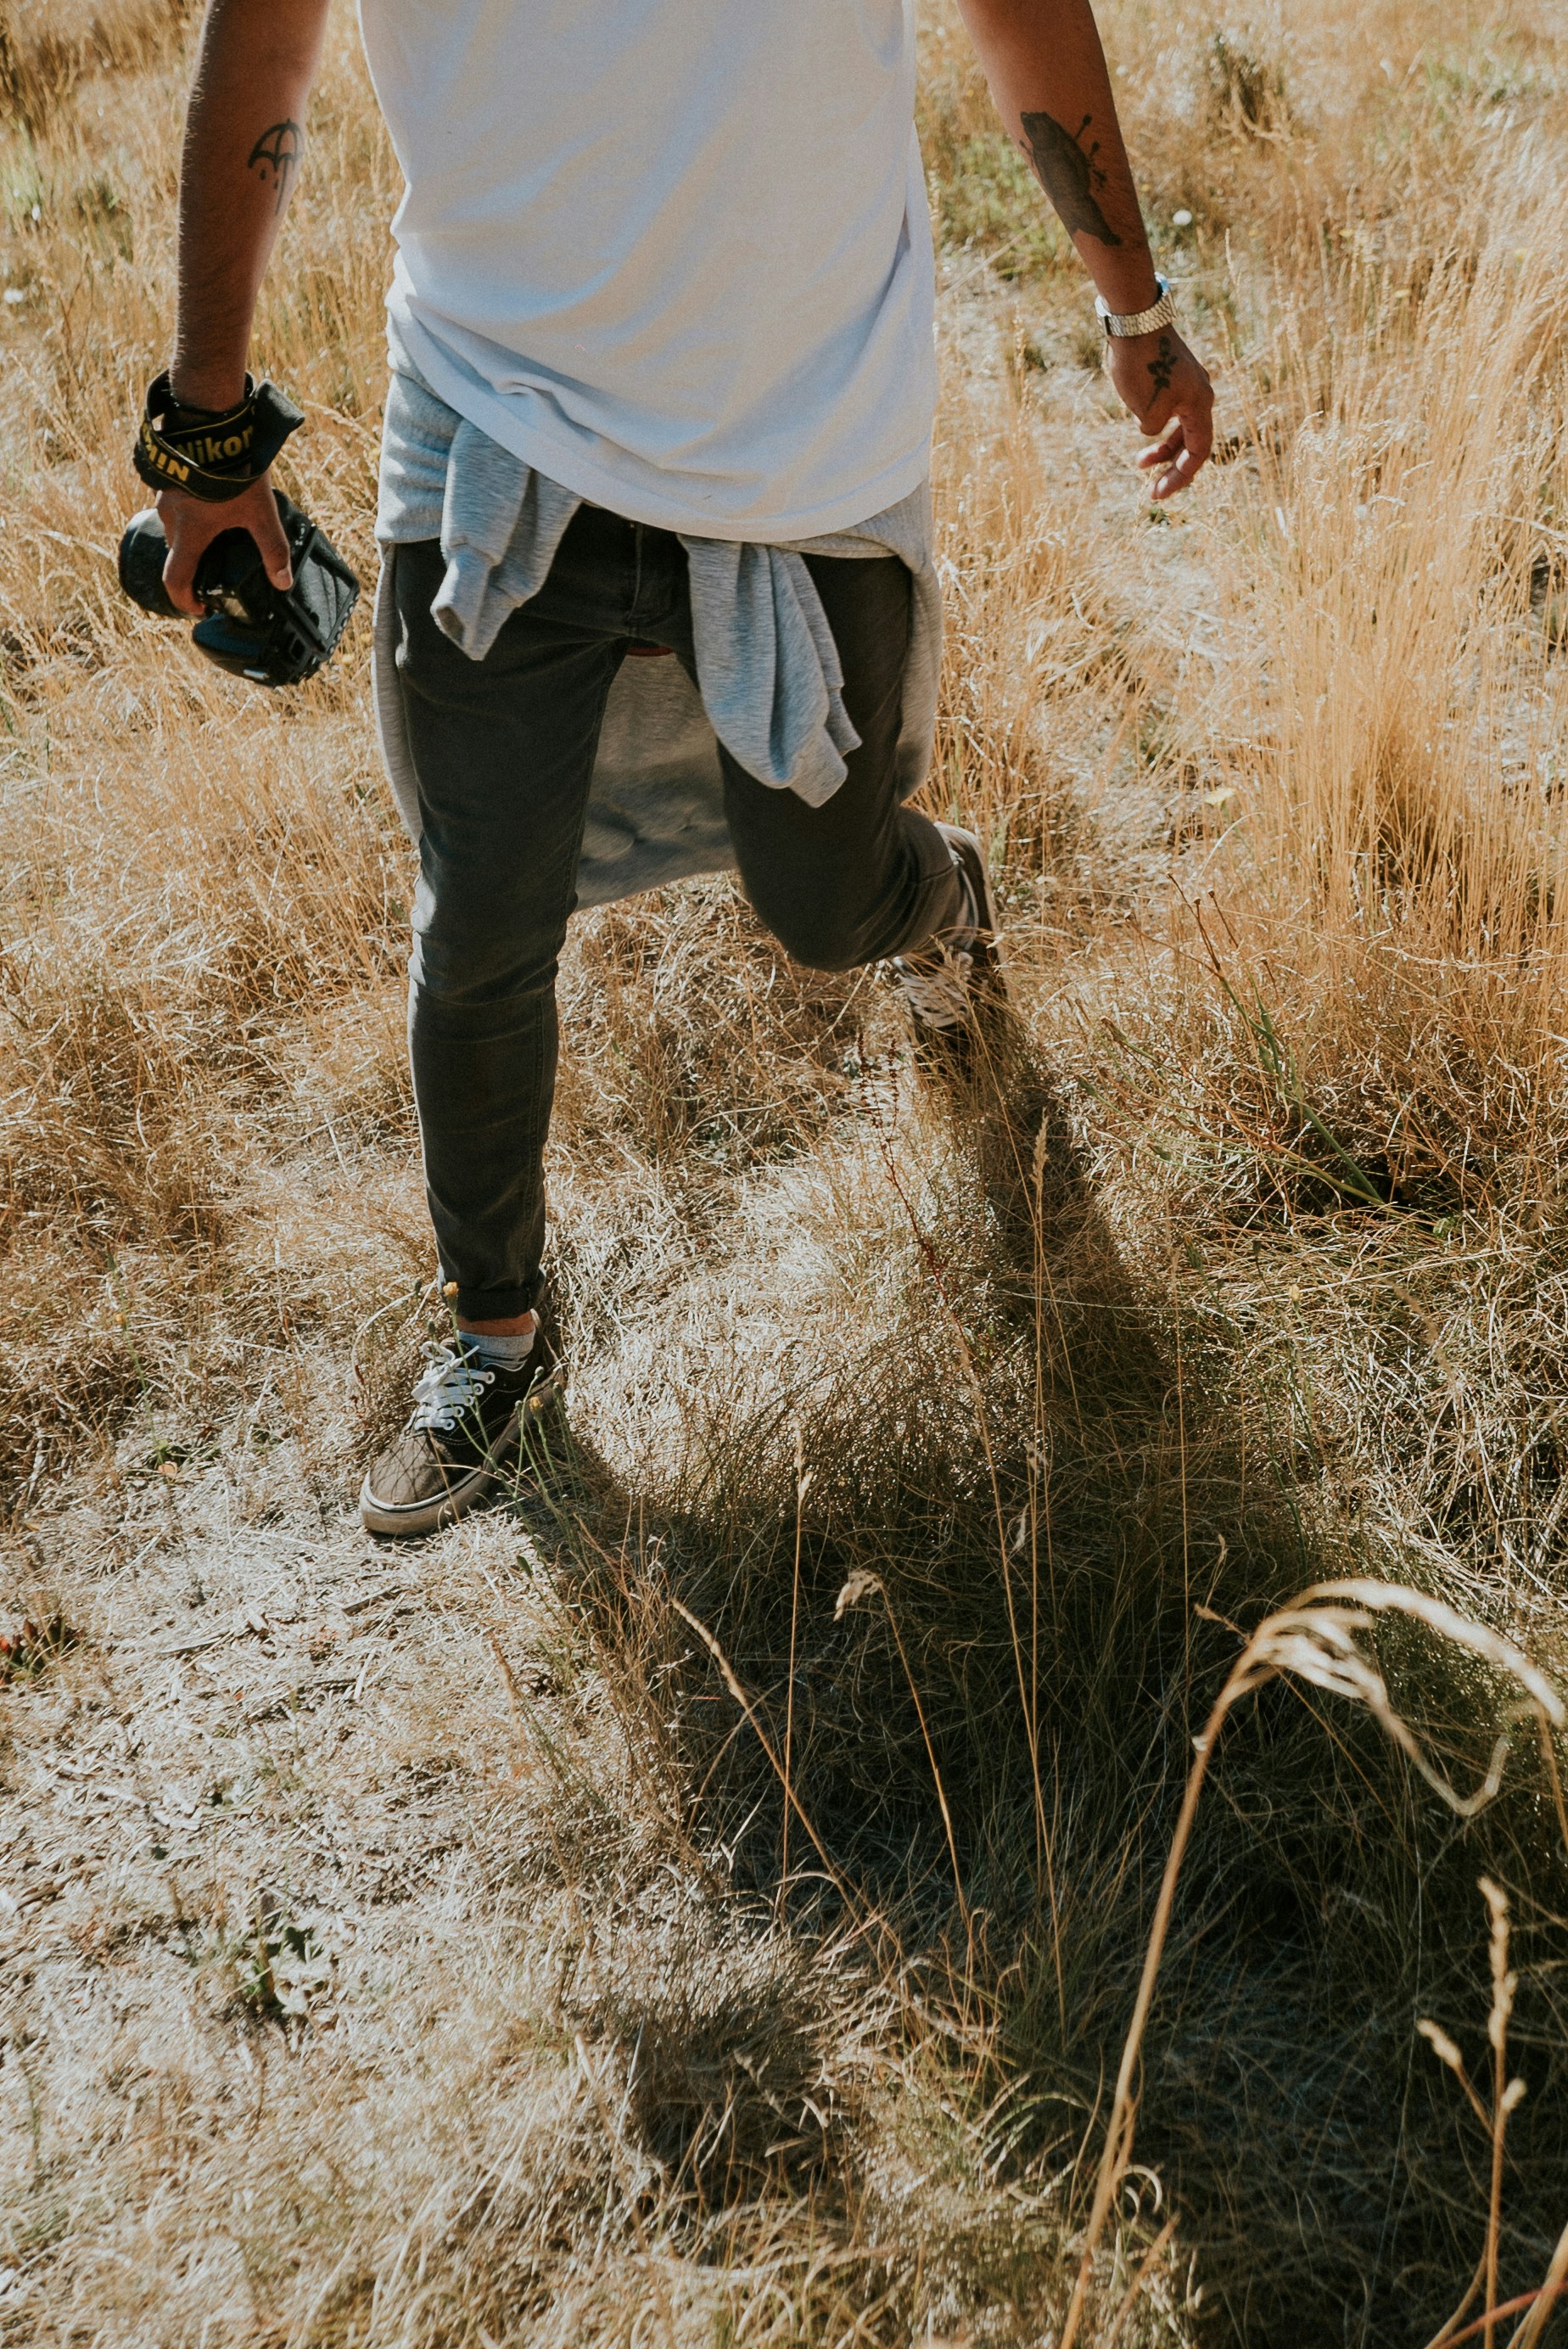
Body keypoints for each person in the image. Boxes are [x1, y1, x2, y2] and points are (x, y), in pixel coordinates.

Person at [154, 0, 1213, 1539]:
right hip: (497, 421)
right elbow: (264, 42)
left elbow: (1021, 12)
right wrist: (207, 432)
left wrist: (1132, 309)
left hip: (803, 445)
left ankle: (942, 900)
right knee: (483, 915)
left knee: (826, 906)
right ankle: (494, 1335)